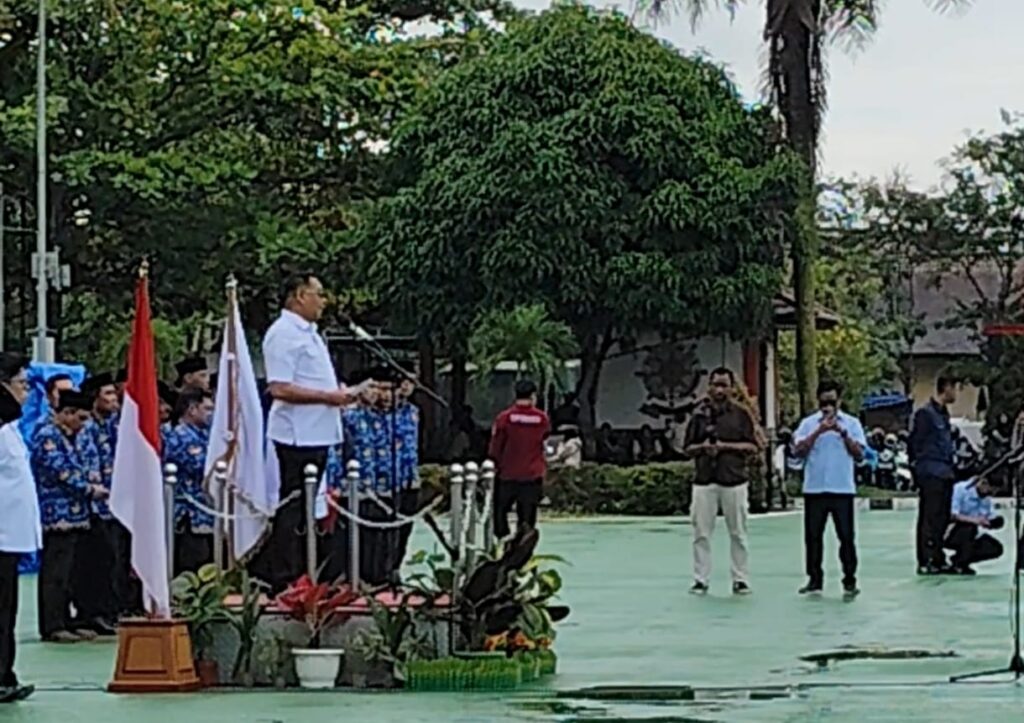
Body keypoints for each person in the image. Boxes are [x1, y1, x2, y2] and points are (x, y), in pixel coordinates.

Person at [258, 273, 371, 592]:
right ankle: (285, 577)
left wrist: (341, 392)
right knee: (293, 507)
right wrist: (328, 397)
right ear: (299, 295)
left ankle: (306, 572)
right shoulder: (283, 333)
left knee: (307, 508)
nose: (323, 301)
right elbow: (279, 387)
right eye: (317, 294)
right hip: (297, 433)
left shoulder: (310, 333)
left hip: (318, 432)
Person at [31, 390, 106, 643]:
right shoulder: (47, 436)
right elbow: (61, 472)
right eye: (80, 418)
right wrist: (89, 489)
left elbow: (88, 463)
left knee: (74, 571)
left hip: (80, 513)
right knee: (56, 572)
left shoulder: (75, 435)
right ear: (66, 413)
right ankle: (52, 624)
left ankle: (72, 619)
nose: (83, 424)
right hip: (57, 514)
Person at [683, 367, 760, 596]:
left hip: (734, 480)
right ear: (709, 387)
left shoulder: (741, 414)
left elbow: (753, 446)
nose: (719, 390)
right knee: (701, 533)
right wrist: (703, 448)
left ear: (732, 388)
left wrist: (726, 447)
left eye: (724, 385)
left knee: (738, 533)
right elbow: (687, 448)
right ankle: (700, 579)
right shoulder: (699, 415)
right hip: (705, 480)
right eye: (715, 385)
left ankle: (740, 579)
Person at [792, 380, 866, 600]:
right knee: (813, 537)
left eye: (832, 402)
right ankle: (814, 580)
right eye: (824, 402)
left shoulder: (851, 423)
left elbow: (859, 454)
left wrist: (842, 433)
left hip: (842, 488)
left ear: (839, 401)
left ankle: (850, 579)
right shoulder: (808, 424)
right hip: (815, 488)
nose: (827, 407)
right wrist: (819, 431)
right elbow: (798, 451)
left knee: (846, 537)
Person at [0, 353, 38, 703]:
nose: (27, 391)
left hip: (11, 536)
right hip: (1, 535)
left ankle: (5, 673)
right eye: (22, 384)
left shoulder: (11, 428)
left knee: (7, 611)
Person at [72, 373, 122, 636]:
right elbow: (87, 463)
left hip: (111, 502)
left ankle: (108, 610)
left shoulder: (109, 425)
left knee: (112, 559)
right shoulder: (87, 428)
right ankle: (92, 613)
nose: (114, 399)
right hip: (93, 504)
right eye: (108, 394)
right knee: (97, 561)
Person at [909, 374, 959, 574]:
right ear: (945, 388)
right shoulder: (925, 414)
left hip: (946, 471)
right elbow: (915, 443)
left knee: (942, 517)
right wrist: (917, 469)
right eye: (954, 388)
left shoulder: (944, 414)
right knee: (929, 517)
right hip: (930, 471)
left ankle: (938, 557)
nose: (955, 393)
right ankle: (926, 559)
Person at [489, 379, 550, 541]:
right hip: (532, 474)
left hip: (507, 474)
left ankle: (504, 542)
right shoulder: (542, 419)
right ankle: (523, 546)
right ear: (533, 396)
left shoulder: (504, 418)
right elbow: (543, 439)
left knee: (500, 512)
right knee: (527, 517)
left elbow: (496, 445)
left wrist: (495, 462)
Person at [165, 388, 216, 574]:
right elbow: (199, 466)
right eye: (207, 409)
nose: (211, 414)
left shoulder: (205, 434)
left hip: (208, 512)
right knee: (193, 567)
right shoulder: (180, 435)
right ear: (192, 409)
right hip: (189, 515)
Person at [944, 476, 1005, 575]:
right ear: (983, 483)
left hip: (973, 533)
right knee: (969, 529)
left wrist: (994, 522)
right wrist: (975, 520)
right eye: (990, 491)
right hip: (952, 530)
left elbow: (990, 515)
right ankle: (960, 563)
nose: (991, 494)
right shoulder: (961, 489)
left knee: (995, 548)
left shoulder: (986, 498)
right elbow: (953, 515)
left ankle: (959, 560)